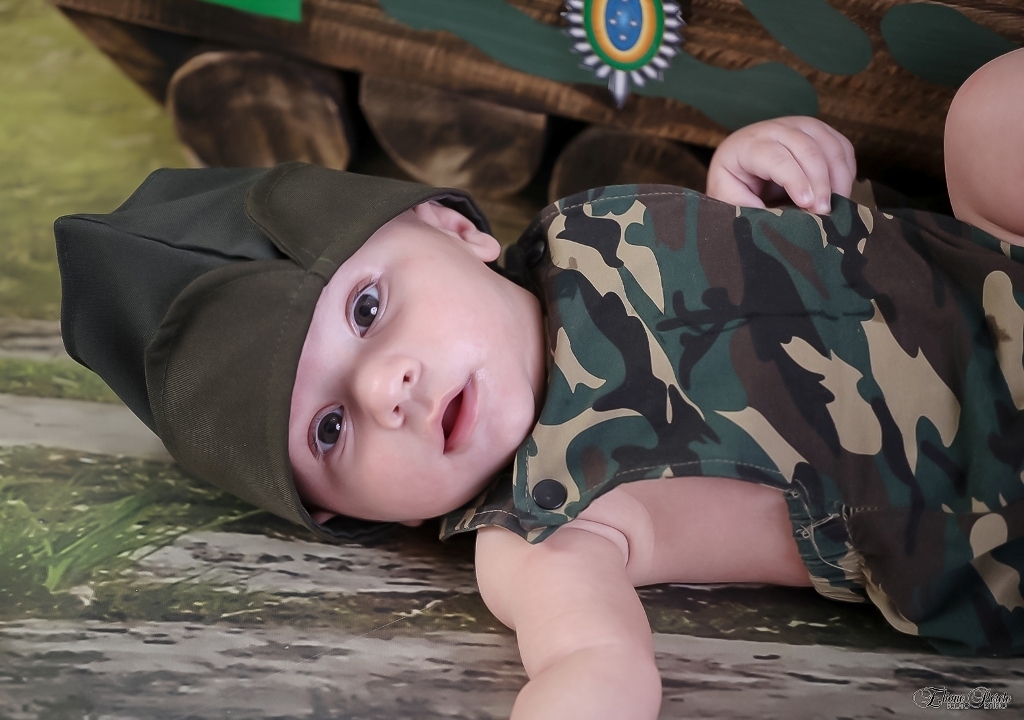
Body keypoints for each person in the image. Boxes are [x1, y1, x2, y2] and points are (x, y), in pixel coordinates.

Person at [56, 49, 1024, 720]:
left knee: (992, 111)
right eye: (329, 430)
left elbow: (732, 267)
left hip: (988, 270)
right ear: (342, 515)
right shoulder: (539, 531)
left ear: (454, 230)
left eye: (366, 309)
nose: (387, 388)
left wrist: (751, 189)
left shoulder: (579, 228)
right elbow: (591, 664)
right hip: (991, 489)